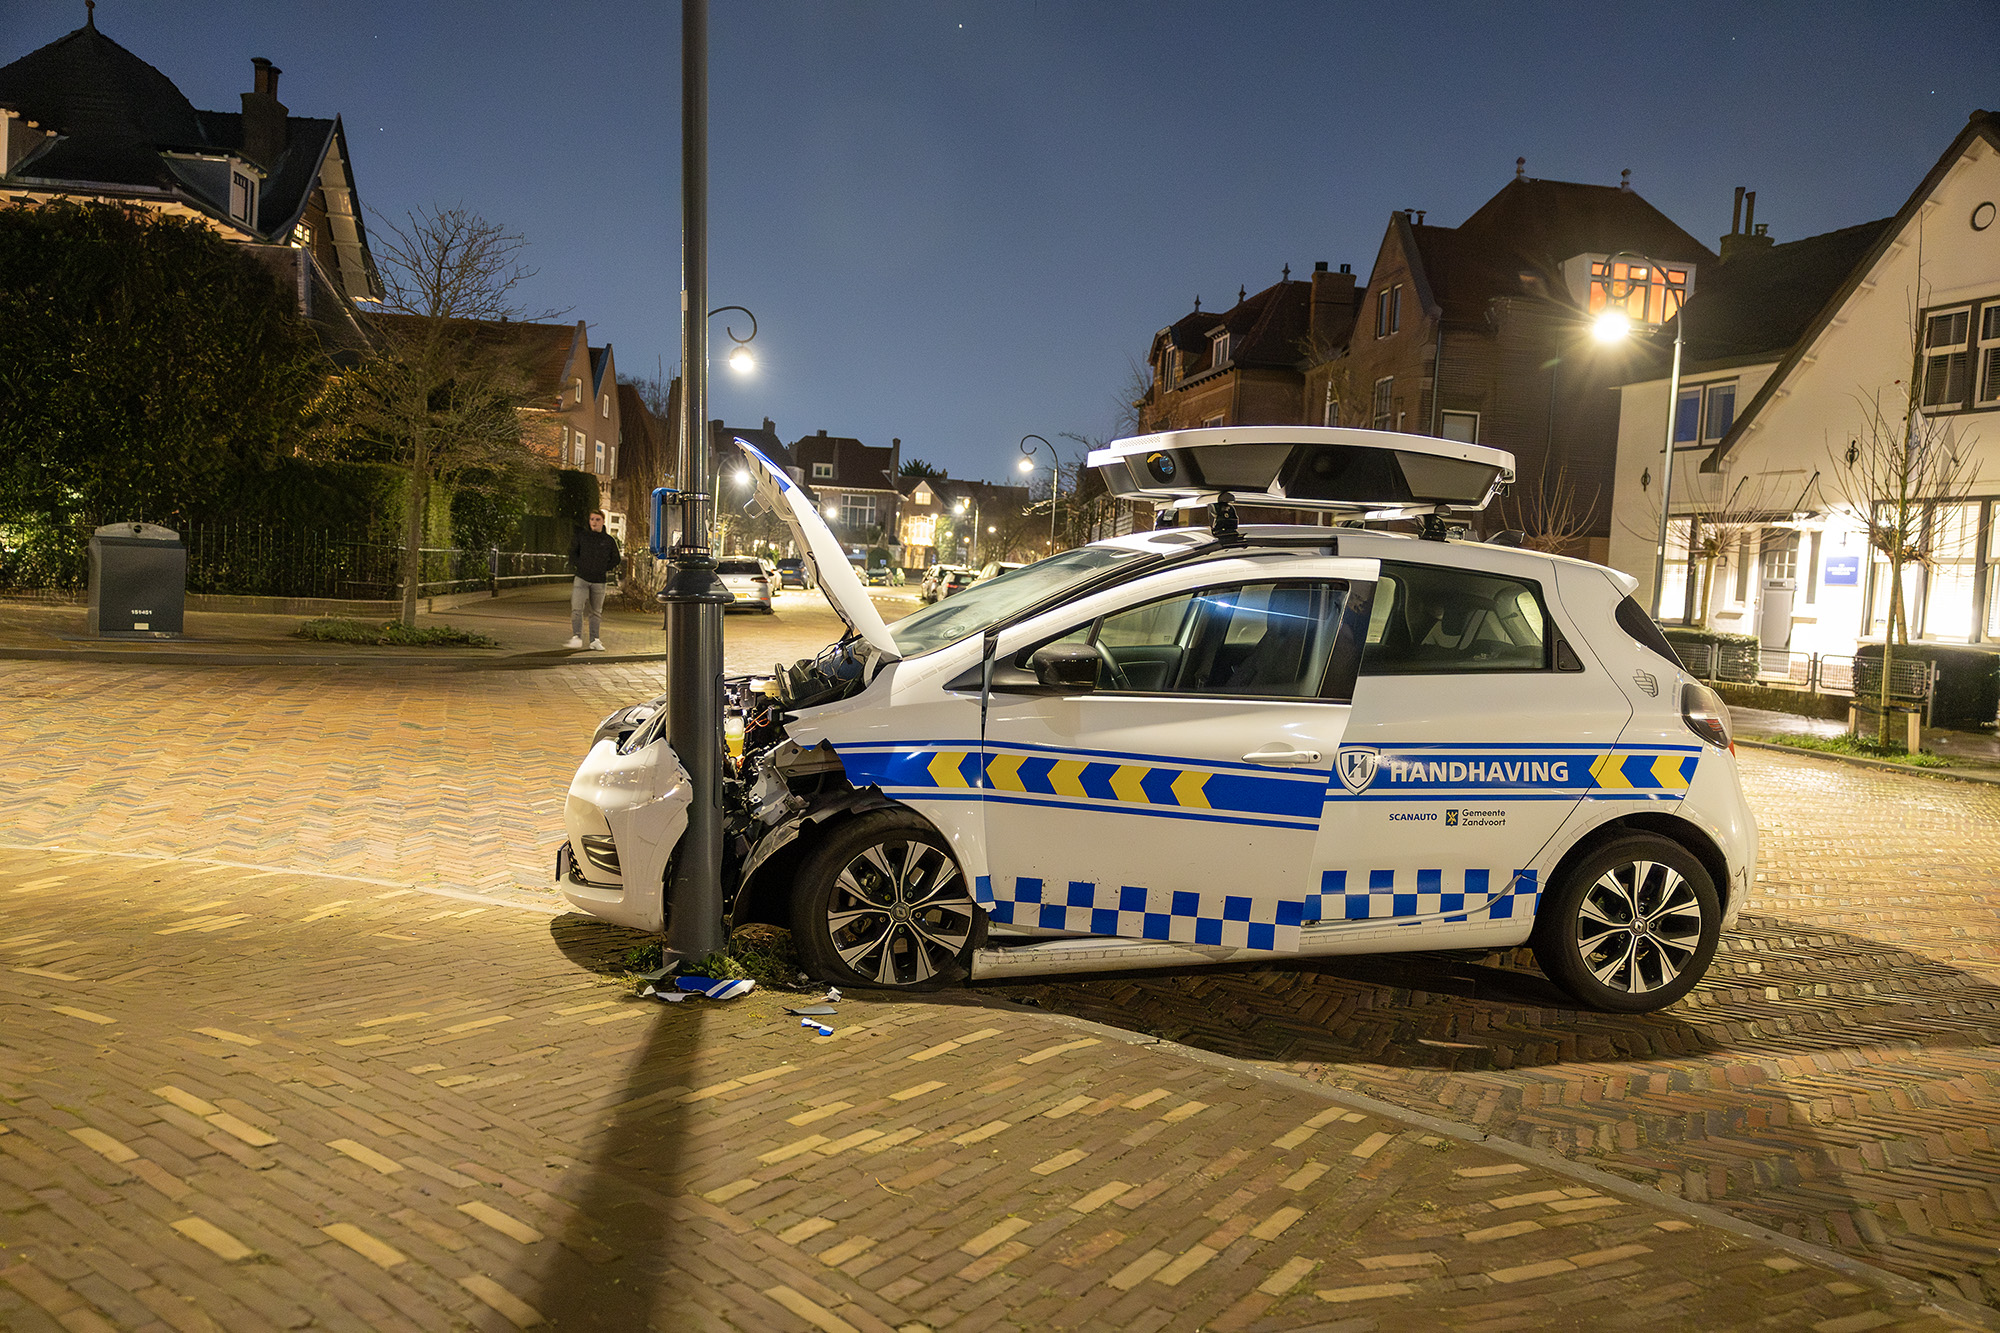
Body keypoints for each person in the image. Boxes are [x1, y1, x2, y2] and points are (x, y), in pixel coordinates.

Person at [567, 510, 620, 650]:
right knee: (577, 609)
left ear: (603, 521)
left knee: (596, 612)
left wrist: (603, 568)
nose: (594, 522)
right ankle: (577, 637)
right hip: (582, 578)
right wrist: (579, 565)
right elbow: (573, 552)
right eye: (592, 519)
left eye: (597, 519)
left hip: (599, 580)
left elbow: (616, 558)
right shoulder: (582, 536)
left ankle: (594, 640)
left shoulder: (608, 540)